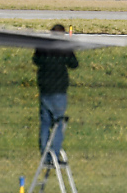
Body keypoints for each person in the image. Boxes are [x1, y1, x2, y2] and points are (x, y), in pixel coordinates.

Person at [32, 24, 78, 163]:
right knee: (58, 124)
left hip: (45, 90)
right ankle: (55, 154)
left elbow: (36, 60)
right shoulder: (64, 47)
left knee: (45, 124)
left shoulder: (43, 46)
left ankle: (45, 156)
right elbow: (74, 64)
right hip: (59, 90)